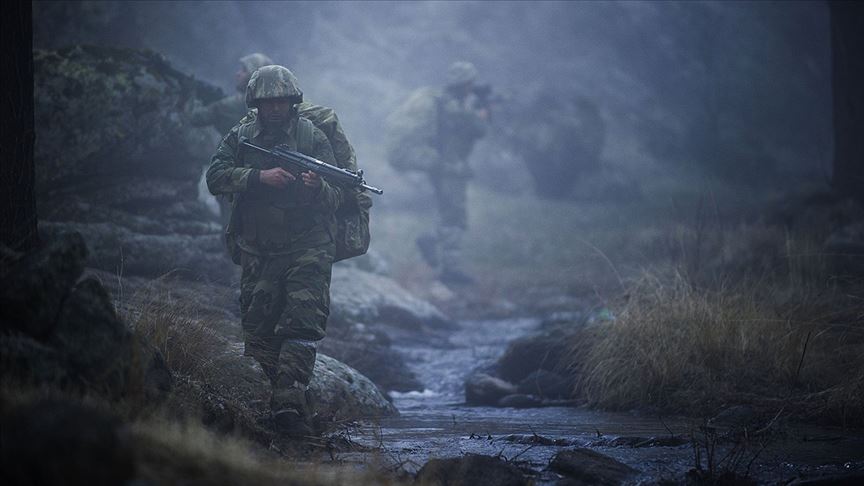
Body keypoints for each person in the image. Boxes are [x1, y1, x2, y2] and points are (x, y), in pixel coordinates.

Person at [206, 65, 341, 437]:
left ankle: (288, 404)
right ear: (256, 104)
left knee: (302, 322)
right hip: (259, 248)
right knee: (259, 333)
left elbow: (339, 195)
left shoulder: (312, 137)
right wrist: (257, 177)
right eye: (268, 102)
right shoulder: (241, 136)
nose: (276, 108)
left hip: (309, 246)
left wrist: (317, 187)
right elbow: (215, 177)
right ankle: (284, 400)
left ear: (292, 101)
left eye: (282, 101)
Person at [385, 61, 489, 285]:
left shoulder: (443, 102)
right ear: (465, 84)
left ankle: (443, 258)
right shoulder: (455, 108)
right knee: (455, 217)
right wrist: (481, 114)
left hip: (439, 165)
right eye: (470, 83)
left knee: (448, 213)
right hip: (450, 168)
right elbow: (479, 130)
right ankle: (447, 262)